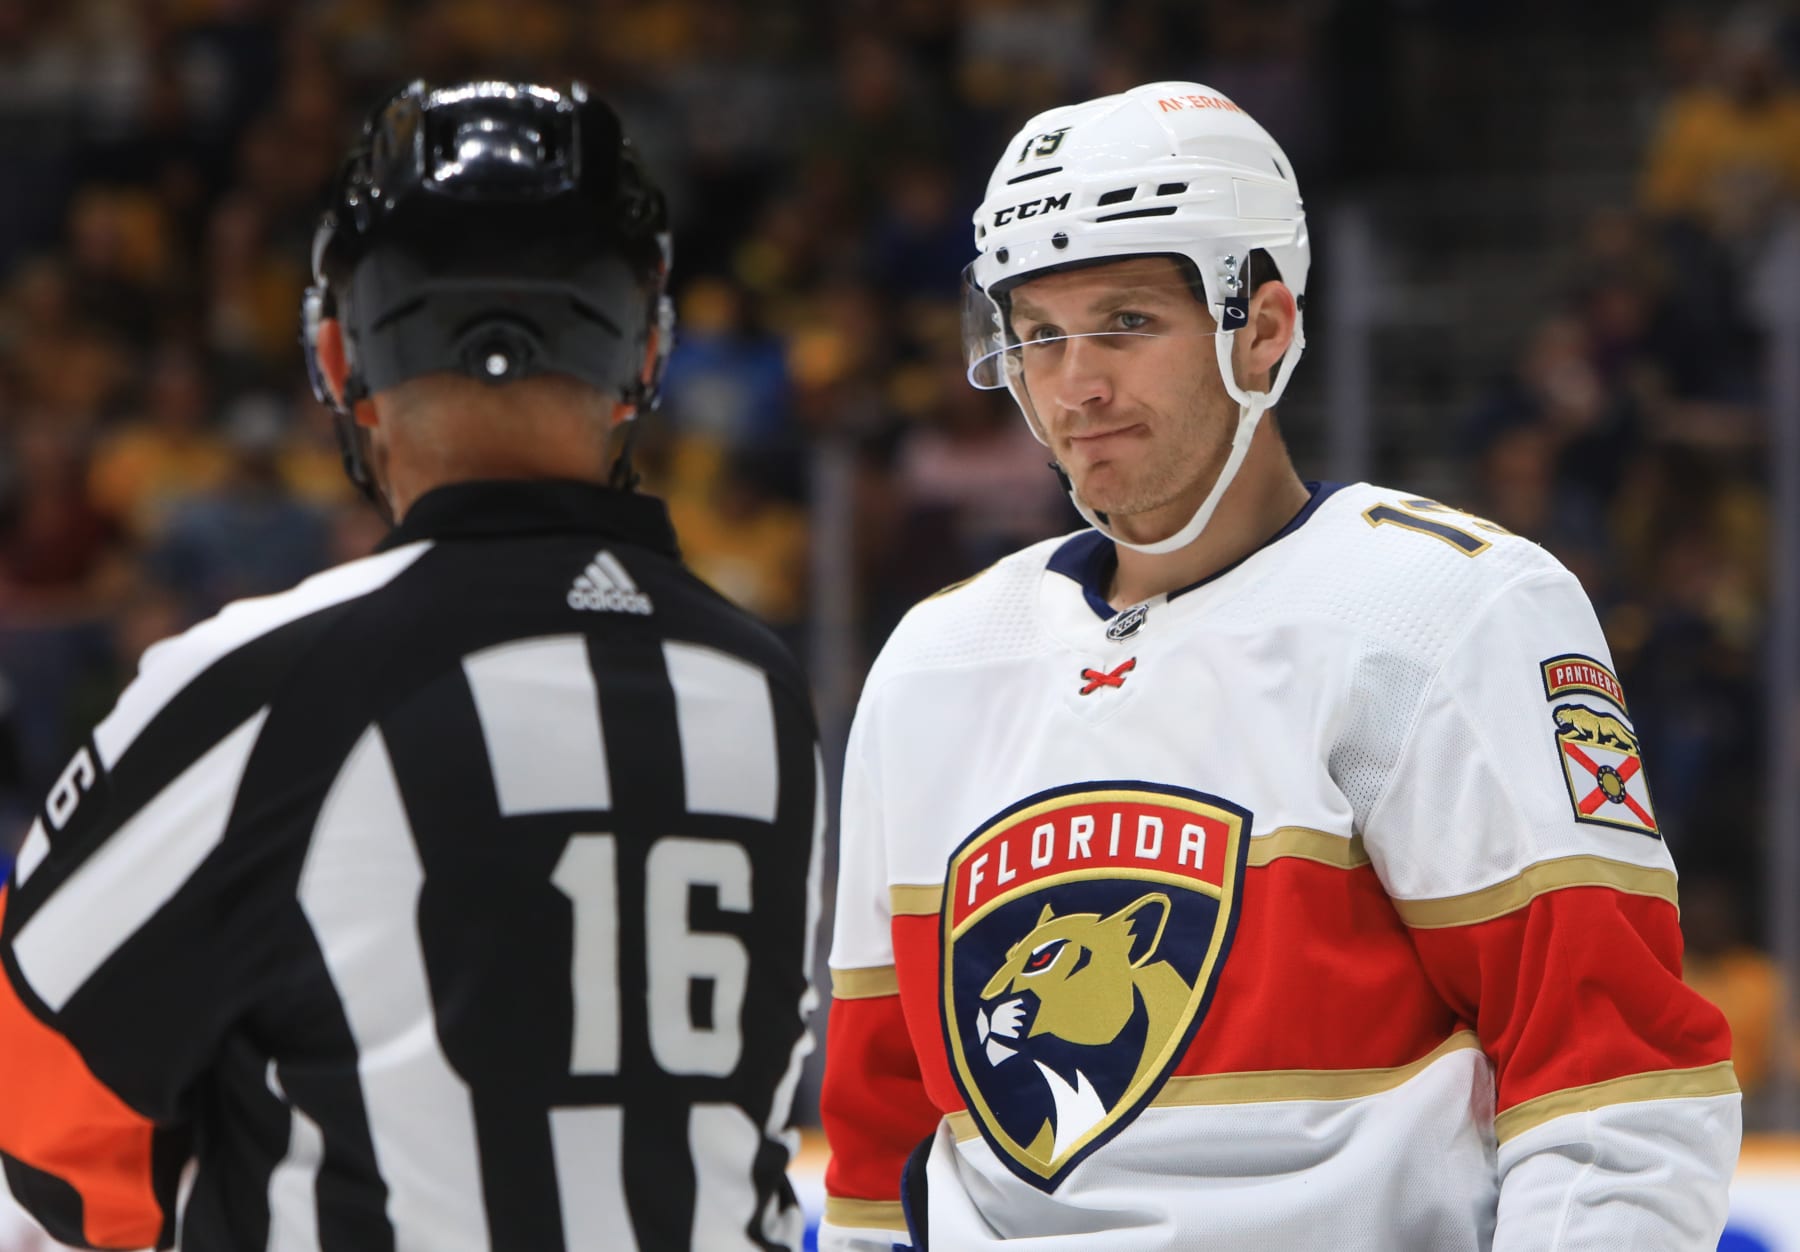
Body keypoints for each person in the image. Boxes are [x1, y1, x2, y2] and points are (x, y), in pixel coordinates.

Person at [820, 81, 1740, 1251]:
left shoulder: (1452, 609)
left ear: (1263, 324)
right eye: (1040, 334)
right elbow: (875, 1146)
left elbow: (1614, 1092)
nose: (1075, 384)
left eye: (1126, 324)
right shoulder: (934, 663)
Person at [0, 81, 824, 1252]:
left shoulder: (254, 684)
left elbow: (48, 1137)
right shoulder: (761, 688)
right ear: (645, 350)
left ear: (339, 355)